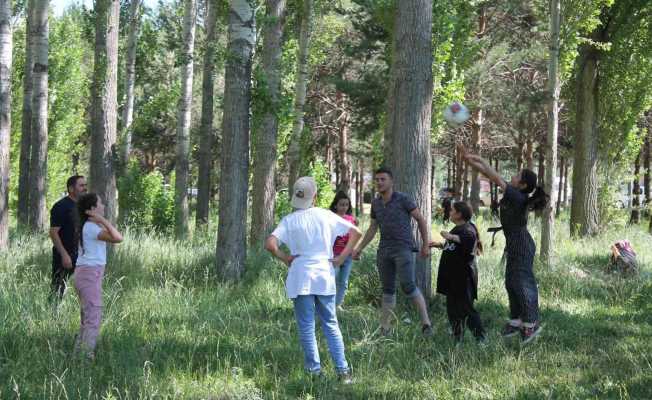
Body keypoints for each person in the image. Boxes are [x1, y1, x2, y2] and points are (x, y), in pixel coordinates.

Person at [265, 177, 361, 383]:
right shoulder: (325, 215)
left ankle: (314, 372)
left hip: (301, 276)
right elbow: (356, 232)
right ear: (314, 197)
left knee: (306, 325)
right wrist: (341, 258)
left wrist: (286, 259)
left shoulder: (289, 220)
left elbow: (271, 244)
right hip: (324, 275)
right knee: (330, 323)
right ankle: (343, 372)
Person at [459, 144, 548, 344]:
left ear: (522, 185)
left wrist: (476, 158)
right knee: (510, 282)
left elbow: (493, 175)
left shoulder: (516, 195)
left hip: (522, 245)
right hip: (516, 244)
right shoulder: (516, 193)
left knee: (522, 282)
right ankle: (516, 321)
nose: (513, 177)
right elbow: (489, 174)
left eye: (517, 175)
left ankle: (531, 323)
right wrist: (471, 160)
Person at [352, 167, 433, 336]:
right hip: (384, 251)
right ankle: (385, 328)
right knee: (387, 289)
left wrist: (425, 245)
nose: (380, 182)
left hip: (403, 248)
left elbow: (421, 220)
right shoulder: (375, 203)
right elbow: (373, 228)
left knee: (408, 286)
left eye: (383, 179)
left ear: (391, 181)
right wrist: (359, 248)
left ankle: (426, 323)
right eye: (377, 180)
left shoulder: (403, 199)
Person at [73, 193, 123, 359]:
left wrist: (100, 221)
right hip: (88, 275)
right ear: (92, 209)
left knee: (87, 318)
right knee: (93, 317)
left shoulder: (90, 227)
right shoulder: (92, 228)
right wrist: (102, 220)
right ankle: (85, 358)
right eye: (100, 203)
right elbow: (118, 237)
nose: (103, 206)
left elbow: (114, 237)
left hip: (86, 275)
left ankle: (78, 356)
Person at [431, 201, 485, 343]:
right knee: (452, 310)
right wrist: (440, 245)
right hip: (452, 279)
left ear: (459, 214)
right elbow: (455, 247)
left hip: (463, 279)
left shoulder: (468, 229)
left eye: (452, 211)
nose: (449, 213)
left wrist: (451, 236)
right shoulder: (457, 228)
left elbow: (467, 240)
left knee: (466, 310)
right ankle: (457, 338)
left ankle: (481, 339)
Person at [49, 175, 87, 300]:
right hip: (64, 255)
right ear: (71, 189)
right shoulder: (61, 206)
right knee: (58, 289)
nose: (85, 188)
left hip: (81, 254)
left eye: (85, 185)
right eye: (81, 185)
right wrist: (65, 255)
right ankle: (53, 316)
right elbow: (54, 232)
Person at [329, 191, 357, 310]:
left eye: (346, 205)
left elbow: (355, 237)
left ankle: (337, 304)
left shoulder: (352, 220)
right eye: (341, 204)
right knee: (332, 278)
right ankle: (328, 303)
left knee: (343, 282)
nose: (344, 207)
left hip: (348, 255)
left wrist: (355, 250)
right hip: (334, 254)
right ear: (336, 205)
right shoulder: (330, 218)